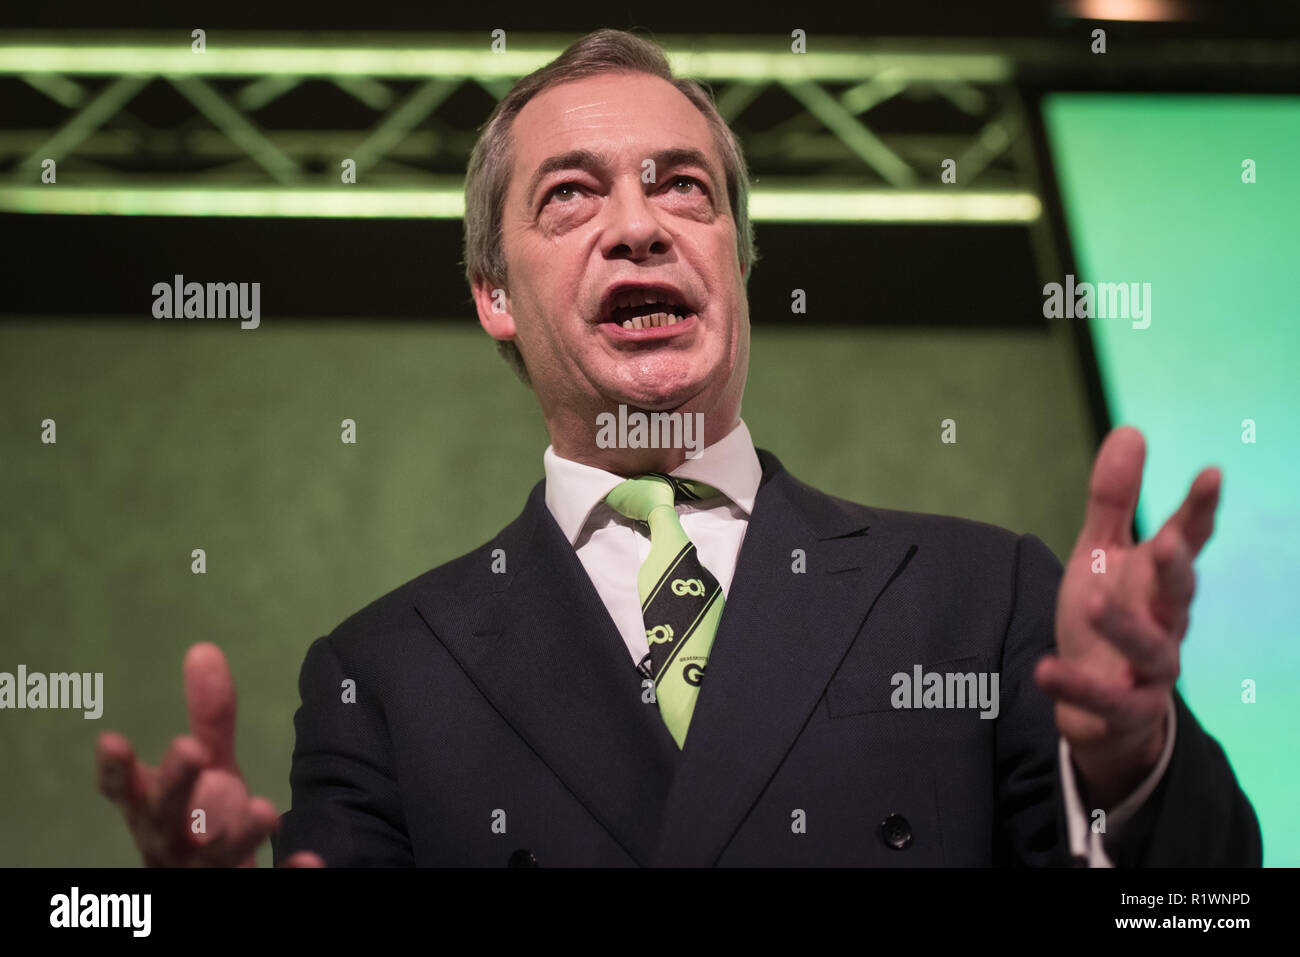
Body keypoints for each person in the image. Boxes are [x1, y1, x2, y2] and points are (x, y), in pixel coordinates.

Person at [96, 28, 1260, 867]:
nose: (640, 224)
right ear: (493, 295)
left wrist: (1132, 756)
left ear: (739, 261)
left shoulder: (979, 595)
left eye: (684, 189)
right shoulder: (381, 680)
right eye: (570, 196)